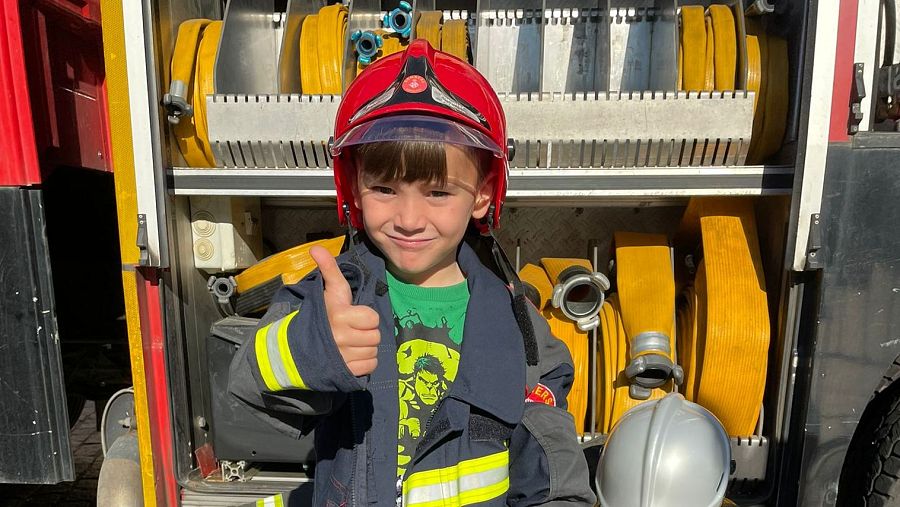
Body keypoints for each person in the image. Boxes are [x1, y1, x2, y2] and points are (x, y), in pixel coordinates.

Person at [229, 39, 596, 506]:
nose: (408, 219)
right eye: (384, 189)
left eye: (438, 193)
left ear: (483, 195)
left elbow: (553, 475)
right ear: (354, 189)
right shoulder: (334, 300)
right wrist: (316, 346)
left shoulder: (522, 334)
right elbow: (247, 381)